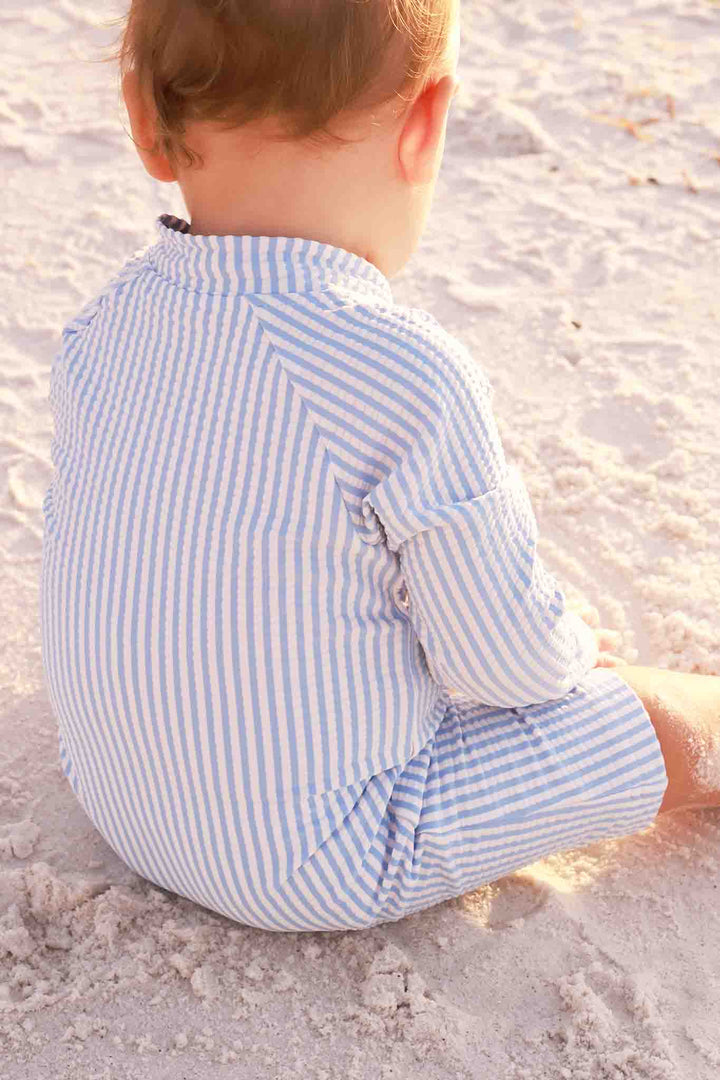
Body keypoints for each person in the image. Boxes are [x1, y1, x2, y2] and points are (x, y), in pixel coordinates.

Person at [39, 0, 719, 933]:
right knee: (652, 717)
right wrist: (562, 646)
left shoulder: (102, 327)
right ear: (425, 124)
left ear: (143, 120)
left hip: (115, 790)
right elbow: (506, 669)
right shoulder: (400, 371)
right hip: (320, 858)